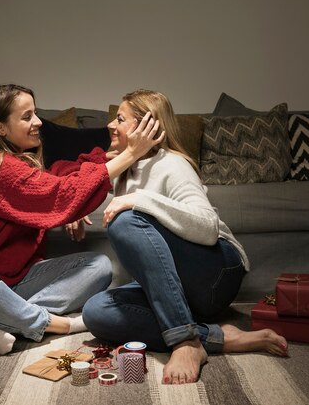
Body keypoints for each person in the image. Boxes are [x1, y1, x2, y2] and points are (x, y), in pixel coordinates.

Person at [0, 84, 163, 355]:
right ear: (0, 128)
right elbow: (60, 193)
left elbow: (61, 176)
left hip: (16, 285)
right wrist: (130, 154)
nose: (38, 122)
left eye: (35, 113)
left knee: (98, 266)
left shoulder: (22, 161)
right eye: (26, 116)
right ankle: (57, 325)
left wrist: (77, 201)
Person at [81, 89, 289, 384]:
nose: (110, 126)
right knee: (96, 312)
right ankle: (216, 336)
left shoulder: (172, 165)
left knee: (124, 220)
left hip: (217, 273)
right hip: (180, 293)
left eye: (120, 118)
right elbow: (85, 185)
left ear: (147, 126)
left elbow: (207, 227)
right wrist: (78, 209)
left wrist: (139, 199)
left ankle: (186, 342)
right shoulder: (124, 170)